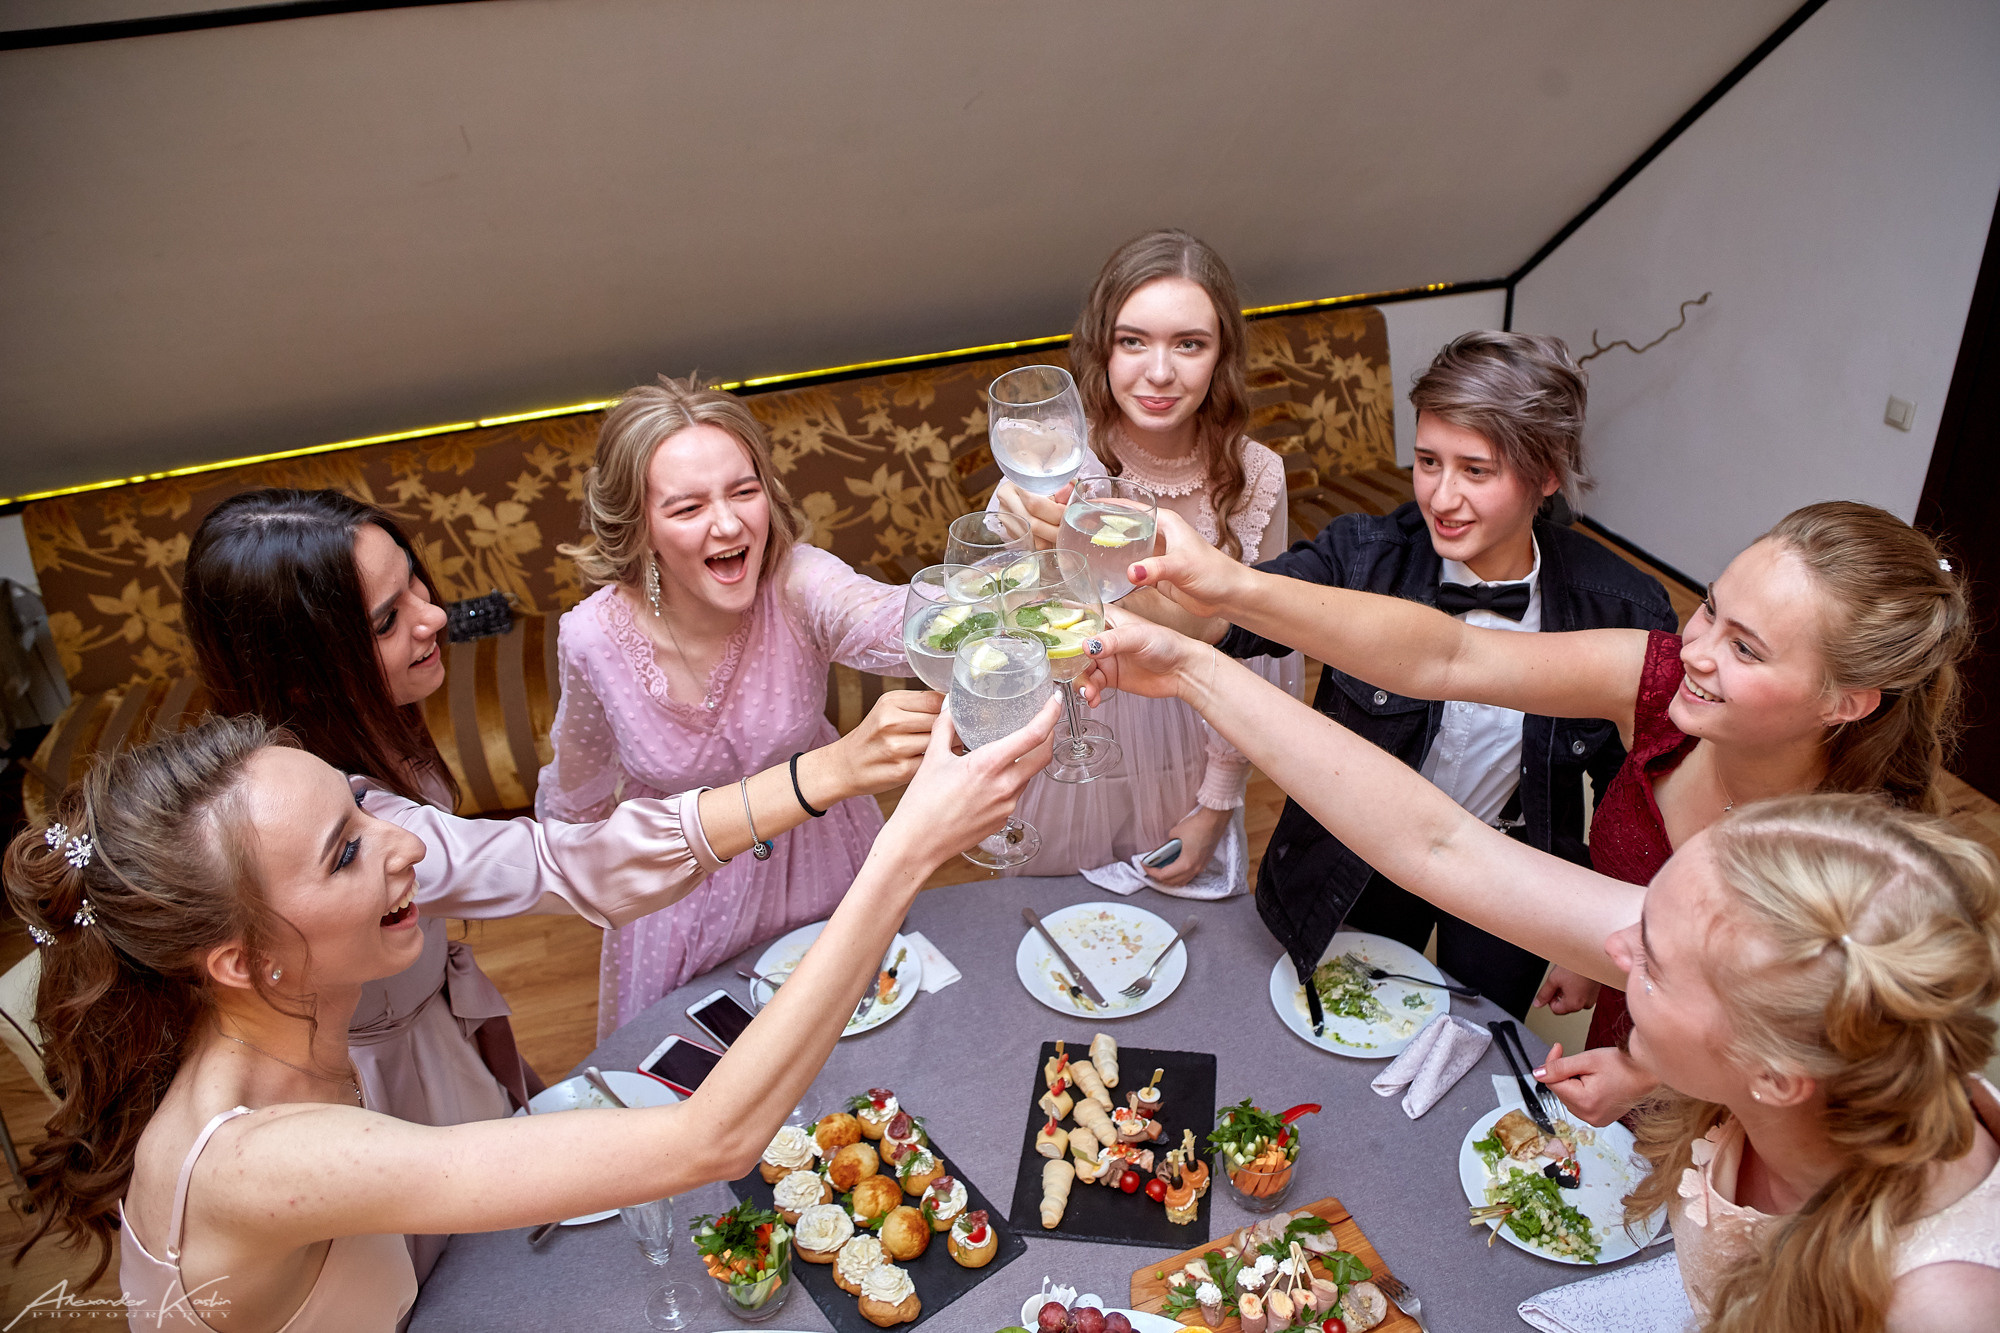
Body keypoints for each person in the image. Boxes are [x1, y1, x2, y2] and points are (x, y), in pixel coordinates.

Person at [1081, 616, 2000, 1333]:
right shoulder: (1798, 1016)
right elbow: (1435, 840)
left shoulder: (1940, 1303)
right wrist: (1196, 668)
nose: (1617, 949)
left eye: (1655, 961)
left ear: (1770, 1072)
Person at [10, 704, 1055, 1328]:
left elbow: (563, 861)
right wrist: (904, 851)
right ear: (238, 959)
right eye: (345, 851)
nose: (402, 845)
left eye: (363, 810)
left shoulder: (280, 1002)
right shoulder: (258, 1159)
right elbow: (714, 1136)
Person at [184, 487, 935, 1276]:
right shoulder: (319, 829)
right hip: (394, 1091)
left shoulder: (353, 747)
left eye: (415, 583)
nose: (433, 616)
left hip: (452, 1047)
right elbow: (558, 859)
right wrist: (831, 772)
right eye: (385, 619)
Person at [1123, 496, 1967, 1122]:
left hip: (1746, 1107)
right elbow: (1451, 653)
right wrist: (1231, 588)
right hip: (1650, 1033)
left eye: (1747, 648)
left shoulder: (1830, 879)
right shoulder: (1669, 680)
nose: (1697, 650)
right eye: (1710, 605)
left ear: (1848, 702)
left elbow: (1444, 846)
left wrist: (1195, 673)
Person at [1209, 331, 1674, 1017]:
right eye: (1428, 461)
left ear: (1547, 475)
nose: (1442, 496)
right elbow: (1236, 615)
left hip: (1509, 865)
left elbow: (1623, 794)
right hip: (1360, 854)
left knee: (1478, 1032)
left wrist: (1592, 948)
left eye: (1476, 471)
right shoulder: (1364, 557)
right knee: (1336, 1019)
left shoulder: (1624, 610)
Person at [541, 376, 921, 1034]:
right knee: (704, 1077)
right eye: (687, 508)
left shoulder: (797, 580)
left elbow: (904, 625)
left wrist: (1013, 556)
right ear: (639, 529)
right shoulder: (591, 638)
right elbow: (576, 797)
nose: (728, 522)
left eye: (744, 491)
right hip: (682, 894)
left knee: (856, 1038)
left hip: (821, 861)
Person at [989, 227, 1298, 896]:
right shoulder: (1044, 467)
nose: (1159, 373)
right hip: (1064, 746)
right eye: (1133, 341)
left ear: (1222, 354)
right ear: (1101, 347)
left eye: (1189, 343)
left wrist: (1216, 802)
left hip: (1191, 754)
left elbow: (1267, 657)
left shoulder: (1257, 478)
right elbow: (996, 643)